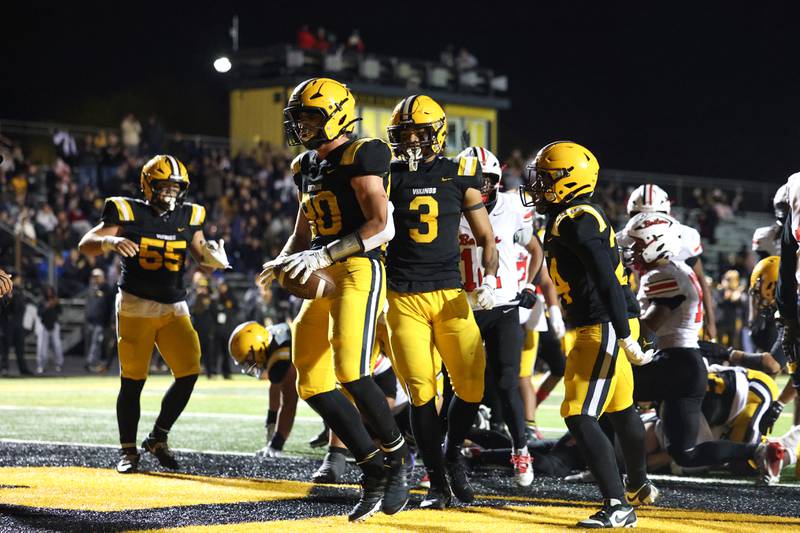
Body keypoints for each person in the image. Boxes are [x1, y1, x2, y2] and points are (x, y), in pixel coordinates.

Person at [257, 78, 407, 522]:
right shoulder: (304, 165)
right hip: (321, 266)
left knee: (352, 371)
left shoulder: (364, 153)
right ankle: (370, 465)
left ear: (338, 115)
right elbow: (303, 229)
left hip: (359, 264)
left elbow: (382, 223)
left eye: (311, 116)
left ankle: (396, 461)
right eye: (298, 117)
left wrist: (322, 253)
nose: (302, 125)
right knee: (311, 381)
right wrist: (282, 260)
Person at [521, 141, 655, 528]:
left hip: (600, 326)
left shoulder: (574, 220)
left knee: (578, 414)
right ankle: (638, 486)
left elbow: (604, 277)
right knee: (622, 408)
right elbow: (610, 277)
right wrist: (632, 324)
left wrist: (624, 331)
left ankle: (617, 506)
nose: (539, 186)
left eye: (546, 179)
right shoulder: (577, 215)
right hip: (611, 321)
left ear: (568, 181)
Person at [78, 154, 231, 474]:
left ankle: (158, 437)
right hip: (135, 305)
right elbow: (86, 243)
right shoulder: (126, 210)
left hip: (174, 305)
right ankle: (128, 451)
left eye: (176, 187)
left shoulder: (190, 215)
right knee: (133, 381)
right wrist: (112, 241)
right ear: (148, 185)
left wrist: (214, 258)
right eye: (164, 186)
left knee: (189, 372)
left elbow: (201, 254)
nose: (170, 193)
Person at [384, 95, 496, 509]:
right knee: (420, 393)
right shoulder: (385, 176)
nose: (411, 141)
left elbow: (485, 236)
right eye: (404, 134)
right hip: (402, 297)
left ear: (437, 134)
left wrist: (489, 275)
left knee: (471, 386)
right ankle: (436, 482)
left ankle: (451, 455)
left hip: (450, 294)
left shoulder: (459, 175)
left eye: (419, 133)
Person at [622, 212, 781, 483]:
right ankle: (759, 451)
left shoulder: (662, 275)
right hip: (687, 365)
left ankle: (612, 468)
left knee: (615, 389)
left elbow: (649, 326)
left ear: (655, 243)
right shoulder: (677, 269)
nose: (631, 251)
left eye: (637, 244)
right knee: (686, 453)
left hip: (675, 363)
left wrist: (618, 309)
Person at [457, 146, 547, 487]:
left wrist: (530, 284)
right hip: (463, 306)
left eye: (487, 178)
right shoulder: (450, 207)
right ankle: (447, 453)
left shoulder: (511, 208)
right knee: (457, 388)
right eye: (474, 178)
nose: (481, 183)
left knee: (508, 382)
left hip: (504, 304)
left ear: (497, 179)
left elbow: (535, 249)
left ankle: (520, 448)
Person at [624, 184, 717, 341]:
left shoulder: (684, 238)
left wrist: (711, 321)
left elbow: (701, 278)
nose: (648, 222)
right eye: (640, 215)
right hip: (646, 305)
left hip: (674, 314)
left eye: (655, 215)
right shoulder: (627, 238)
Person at [228, 321, 297, 458]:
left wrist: (276, 444)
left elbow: (290, 401)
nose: (249, 365)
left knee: (316, 393)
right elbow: (275, 384)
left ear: (258, 345)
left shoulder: (280, 353)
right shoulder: (270, 337)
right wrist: (271, 422)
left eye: (248, 359)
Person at [1, 273, 31, 376]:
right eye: (18, 279)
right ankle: (4, 368)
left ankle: (23, 369)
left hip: (18, 324)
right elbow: (5, 307)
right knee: (5, 348)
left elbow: (21, 307)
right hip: (8, 324)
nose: (19, 281)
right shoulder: (6, 290)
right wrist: (9, 298)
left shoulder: (19, 291)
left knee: (20, 348)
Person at [85, 268, 114, 372]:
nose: (95, 279)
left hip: (101, 321)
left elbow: (110, 306)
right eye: (94, 277)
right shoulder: (92, 288)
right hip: (91, 320)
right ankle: (91, 362)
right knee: (91, 343)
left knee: (96, 342)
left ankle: (91, 362)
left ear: (102, 277)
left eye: (97, 277)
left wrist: (111, 320)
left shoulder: (106, 289)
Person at [35, 285, 63, 375]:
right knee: (42, 347)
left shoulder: (55, 300)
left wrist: (56, 304)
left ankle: (59, 364)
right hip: (44, 325)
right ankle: (41, 365)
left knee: (57, 345)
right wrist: (47, 306)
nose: (49, 293)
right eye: (47, 291)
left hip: (54, 324)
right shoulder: (42, 301)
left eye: (50, 291)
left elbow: (60, 312)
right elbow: (39, 313)